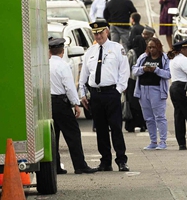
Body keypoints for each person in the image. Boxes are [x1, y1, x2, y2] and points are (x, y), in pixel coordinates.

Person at [78, 20, 131, 172]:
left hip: (111, 93)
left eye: (101, 32)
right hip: (96, 95)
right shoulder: (90, 52)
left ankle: (121, 160)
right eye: (95, 33)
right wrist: (83, 94)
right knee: (100, 129)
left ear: (107, 31)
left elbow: (124, 71)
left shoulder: (117, 48)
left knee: (115, 127)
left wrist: (118, 90)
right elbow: (84, 75)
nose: (98, 35)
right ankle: (105, 161)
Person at [50, 37, 95, 175]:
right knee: (73, 134)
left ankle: (55, 166)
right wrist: (76, 104)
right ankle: (80, 165)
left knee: (53, 136)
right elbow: (69, 87)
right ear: (62, 51)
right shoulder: (63, 66)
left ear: (50, 51)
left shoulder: (45, 64)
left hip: (48, 103)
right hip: (61, 103)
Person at [133, 37, 171, 150]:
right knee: (148, 118)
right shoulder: (143, 57)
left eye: (153, 47)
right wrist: (143, 69)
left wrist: (156, 70)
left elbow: (168, 74)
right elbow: (134, 70)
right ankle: (153, 141)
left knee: (159, 116)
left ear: (158, 47)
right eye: (149, 47)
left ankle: (163, 141)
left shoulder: (164, 58)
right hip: (143, 89)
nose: (151, 49)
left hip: (157, 90)